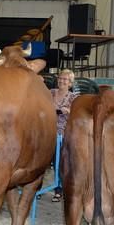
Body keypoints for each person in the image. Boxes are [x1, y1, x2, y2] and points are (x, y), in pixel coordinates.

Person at [50, 69, 77, 202]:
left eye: (65, 79)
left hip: (62, 133)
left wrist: (69, 111)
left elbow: (77, 114)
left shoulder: (73, 97)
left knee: (58, 161)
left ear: (70, 83)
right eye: (60, 78)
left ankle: (58, 189)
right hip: (47, 129)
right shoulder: (51, 93)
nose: (61, 81)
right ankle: (36, 188)